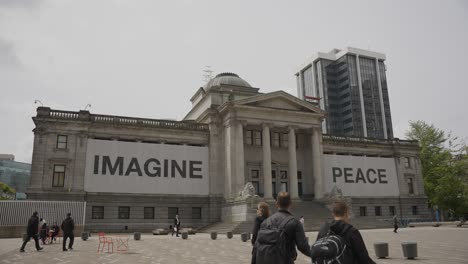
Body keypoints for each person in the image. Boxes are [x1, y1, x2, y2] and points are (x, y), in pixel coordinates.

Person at [255, 192, 310, 264]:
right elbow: (303, 246)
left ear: (276, 203)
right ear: (290, 203)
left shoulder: (265, 222)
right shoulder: (295, 222)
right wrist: (317, 254)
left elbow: (257, 246)